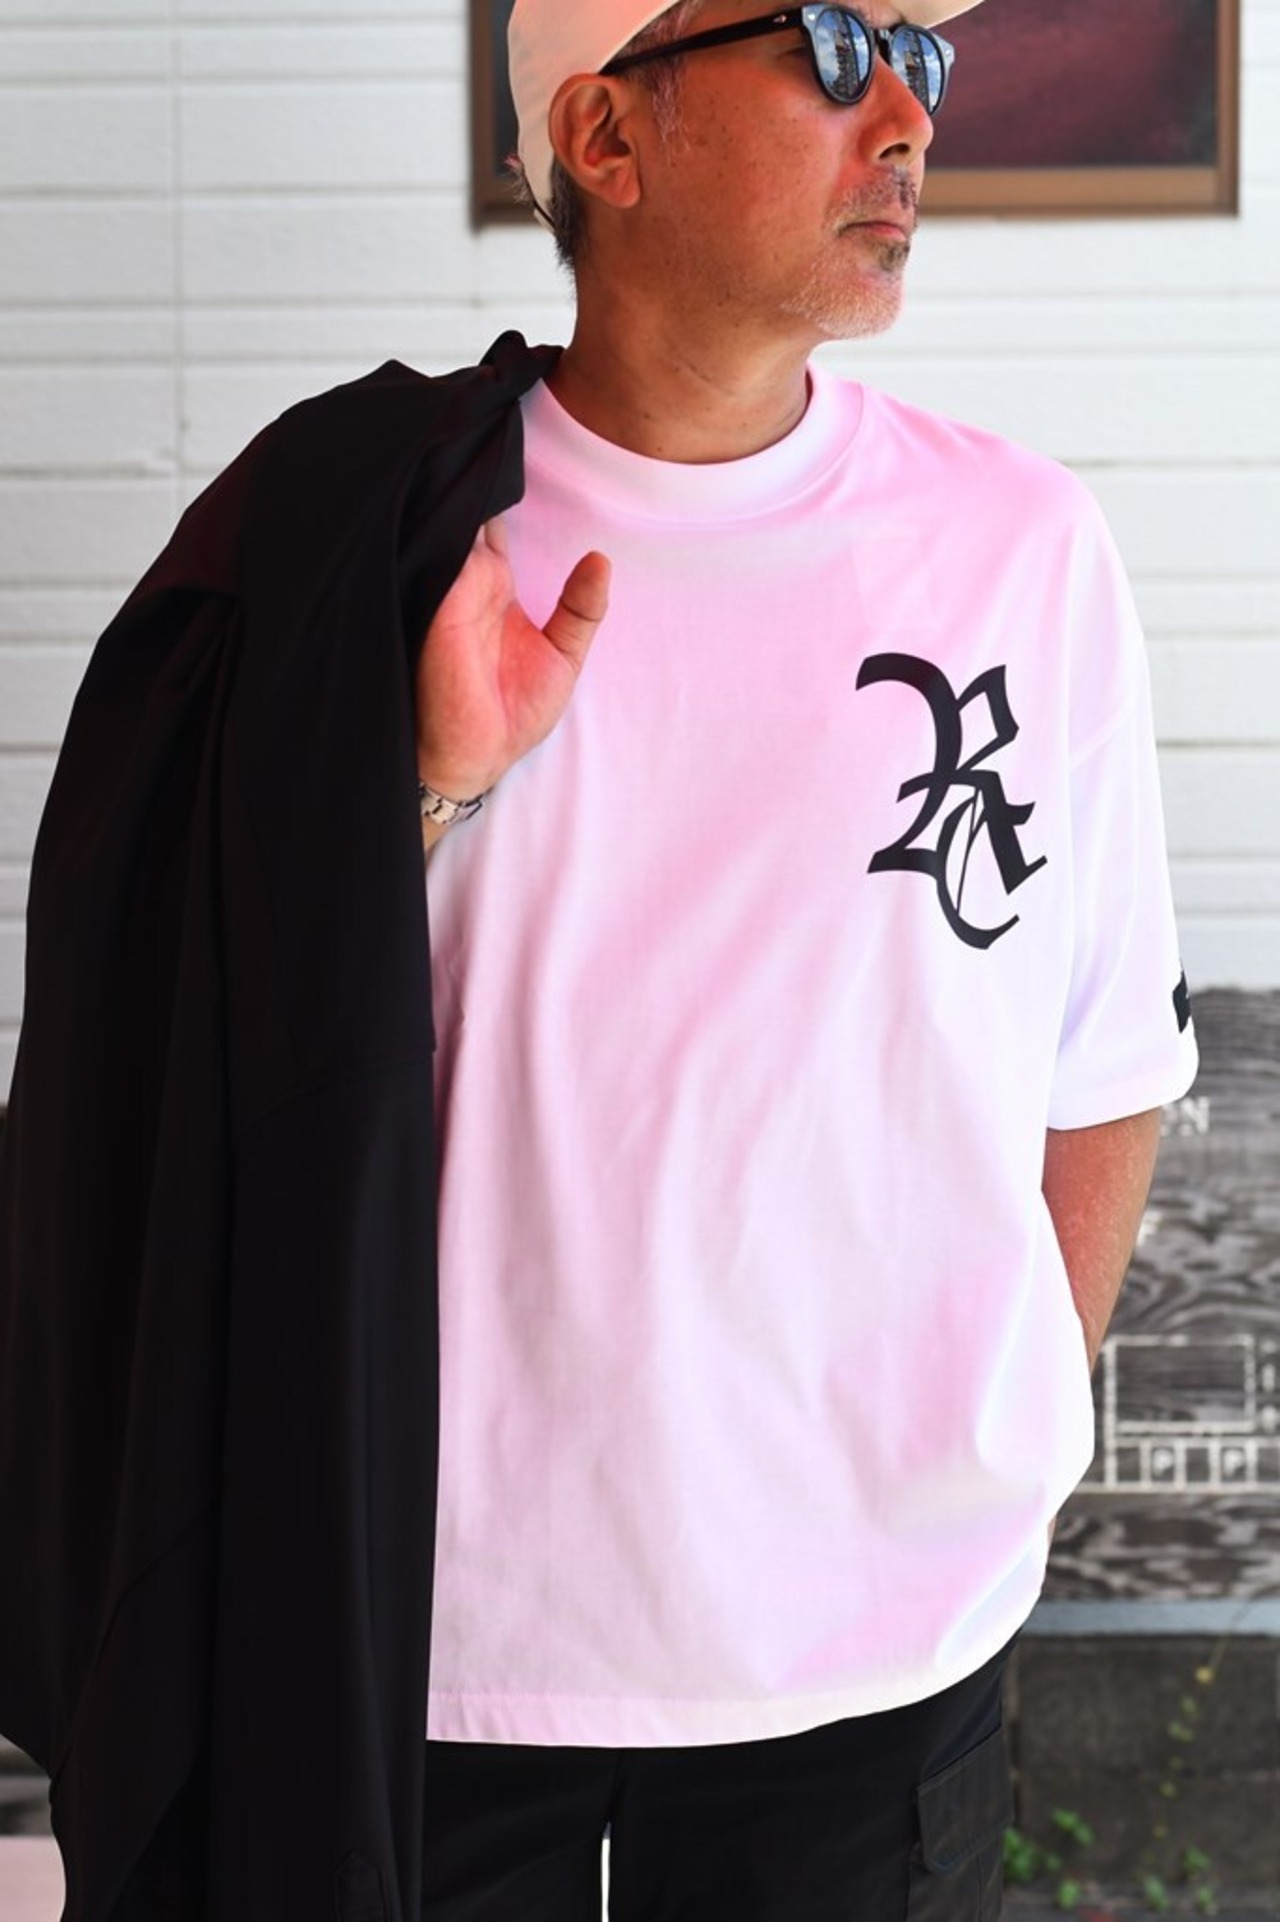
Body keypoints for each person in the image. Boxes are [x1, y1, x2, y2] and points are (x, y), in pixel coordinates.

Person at [409, 0, 1199, 1917]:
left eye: (924, 56)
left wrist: (995, 1422)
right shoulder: (394, 543)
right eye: (838, 46)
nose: (908, 115)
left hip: (878, 1647)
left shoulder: (1020, 548)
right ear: (608, 135)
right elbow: (219, 1040)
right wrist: (426, 786)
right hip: (444, 1640)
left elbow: (1106, 1062)